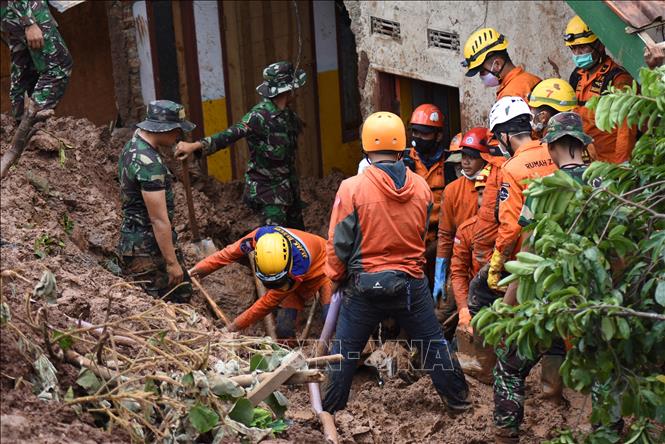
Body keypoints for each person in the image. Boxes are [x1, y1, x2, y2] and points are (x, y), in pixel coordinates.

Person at [322, 111, 470, 414]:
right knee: (434, 346)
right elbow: (419, 232)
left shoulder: (351, 188)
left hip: (364, 285)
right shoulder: (421, 186)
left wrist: (336, 276)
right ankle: (460, 402)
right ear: (402, 146)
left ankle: (329, 412)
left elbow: (338, 243)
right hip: (410, 284)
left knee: (344, 353)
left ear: (365, 148)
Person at [493, 112, 593, 444]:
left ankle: (506, 433)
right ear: (582, 144)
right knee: (607, 373)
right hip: (597, 302)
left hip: (549, 298)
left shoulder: (542, 191)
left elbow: (529, 257)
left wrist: (508, 307)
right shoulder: (606, 184)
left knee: (509, 363)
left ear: (549, 145)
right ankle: (609, 430)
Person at [175, 61, 307, 229]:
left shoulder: (288, 115)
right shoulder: (258, 116)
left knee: (298, 238)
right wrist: (194, 146)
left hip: (289, 188)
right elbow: (229, 135)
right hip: (268, 191)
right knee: (273, 243)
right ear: (288, 89)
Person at [189, 226, 331, 338]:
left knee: (330, 319)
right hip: (291, 278)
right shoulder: (258, 237)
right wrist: (196, 270)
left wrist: (234, 327)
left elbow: (267, 303)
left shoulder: (300, 264)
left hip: (325, 269)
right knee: (284, 329)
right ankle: (291, 358)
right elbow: (228, 254)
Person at [117, 100, 195, 303]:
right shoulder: (149, 164)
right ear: (164, 128)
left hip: (138, 242)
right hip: (148, 250)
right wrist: (172, 263)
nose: (179, 136)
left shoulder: (133, 145)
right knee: (173, 301)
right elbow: (158, 220)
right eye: (177, 130)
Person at [486, 97, 558, 292]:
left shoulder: (512, 168)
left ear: (504, 135)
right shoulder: (552, 149)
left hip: (533, 254)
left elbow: (511, 225)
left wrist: (496, 265)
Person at [564, 15, 636, 163]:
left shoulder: (618, 79)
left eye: (583, 47)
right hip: (586, 160)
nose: (578, 54)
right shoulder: (576, 76)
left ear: (600, 45)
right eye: (574, 48)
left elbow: (626, 129)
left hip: (611, 162)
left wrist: (622, 165)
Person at [434, 127, 491, 305]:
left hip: (489, 264)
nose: (465, 162)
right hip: (461, 265)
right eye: (463, 156)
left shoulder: (495, 184)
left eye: (471, 157)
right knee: (442, 313)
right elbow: (445, 235)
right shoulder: (452, 190)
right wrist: (440, 275)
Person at [1, 0, 72, 121]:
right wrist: (28, 22)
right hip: (25, 9)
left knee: (26, 69)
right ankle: (29, 122)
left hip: (13, 10)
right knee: (59, 66)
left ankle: (19, 121)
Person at [403, 104, 448, 287]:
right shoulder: (403, 161)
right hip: (412, 241)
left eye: (425, 133)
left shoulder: (451, 164)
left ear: (438, 136)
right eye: (415, 132)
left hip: (441, 240)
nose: (419, 138)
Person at [449, 172, 489, 333]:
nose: (485, 199)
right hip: (477, 299)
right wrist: (463, 309)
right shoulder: (467, 230)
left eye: (489, 193)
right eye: (480, 194)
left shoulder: (513, 229)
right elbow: (458, 272)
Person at [462, 27, 541, 100]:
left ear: (497, 64)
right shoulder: (532, 79)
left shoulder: (509, 96)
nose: (481, 76)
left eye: (482, 71)